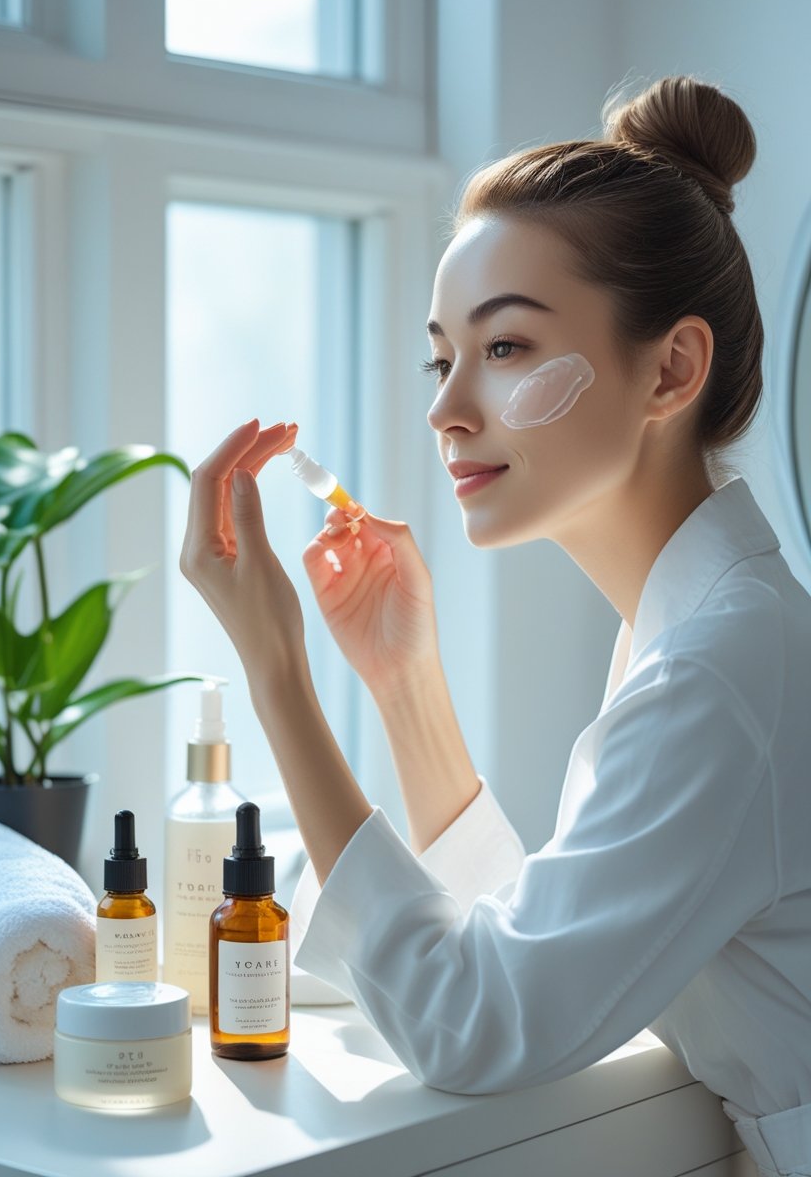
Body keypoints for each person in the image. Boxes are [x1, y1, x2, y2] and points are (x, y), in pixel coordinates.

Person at [180, 75, 811, 1175]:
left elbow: (475, 1023)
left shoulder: (720, 674)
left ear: (670, 368)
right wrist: (402, 680)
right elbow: (538, 945)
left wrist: (277, 668)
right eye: (442, 355)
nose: (445, 407)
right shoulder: (706, 633)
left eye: (506, 348)